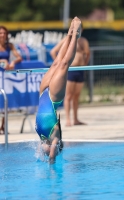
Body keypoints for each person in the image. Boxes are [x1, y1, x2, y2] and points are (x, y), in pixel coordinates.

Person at [35, 17, 82, 164]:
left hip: (43, 93)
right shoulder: (55, 138)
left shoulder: (42, 139)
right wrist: (51, 162)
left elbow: (39, 155)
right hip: (53, 98)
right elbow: (52, 155)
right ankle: (75, 35)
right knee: (64, 64)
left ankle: (69, 34)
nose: (48, 150)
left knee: (56, 63)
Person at [50, 24, 90, 126]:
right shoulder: (67, 40)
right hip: (71, 70)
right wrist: (59, 64)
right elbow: (53, 51)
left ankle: (76, 119)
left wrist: (84, 65)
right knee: (68, 96)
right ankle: (68, 119)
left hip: (80, 70)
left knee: (76, 96)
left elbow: (87, 53)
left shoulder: (83, 41)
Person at [0, 26, 22, 134]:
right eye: (0, 33)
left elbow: (19, 57)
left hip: (6, 76)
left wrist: (13, 62)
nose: (2, 35)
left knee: (5, 101)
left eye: (4, 33)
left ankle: (3, 126)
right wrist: (3, 60)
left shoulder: (10, 46)